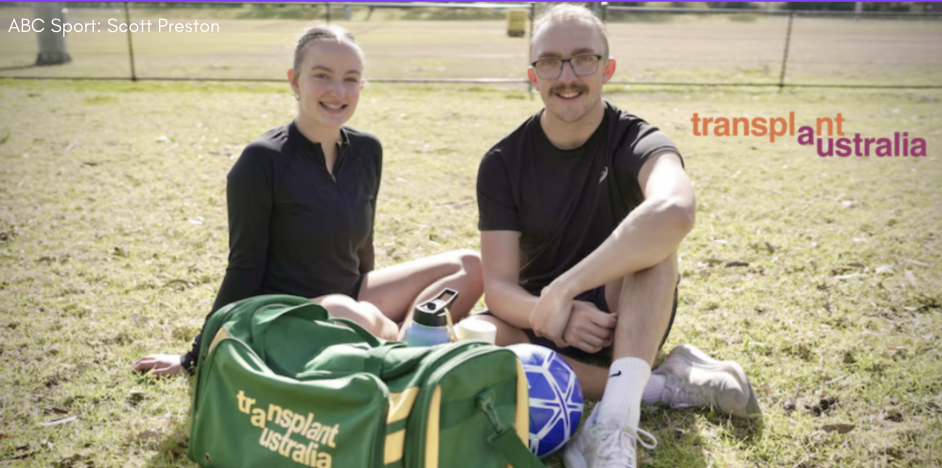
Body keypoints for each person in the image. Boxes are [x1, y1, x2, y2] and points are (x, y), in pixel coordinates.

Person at [470, 5, 760, 467]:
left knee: (656, 245)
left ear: (607, 69)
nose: (567, 76)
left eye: (583, 59)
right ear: (533, 74)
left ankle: (613, 423)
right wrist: (555, 312)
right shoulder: (503, 162)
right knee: (471, 341)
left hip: (623, 314)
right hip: (538, 319)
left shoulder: (636, 140)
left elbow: (676, 209)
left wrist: (565, 289)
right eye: (550, 62)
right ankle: (662, 386)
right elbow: (500, 286)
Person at [134, 25, 482, 377]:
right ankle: (415, 351)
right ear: (294, 81)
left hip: (351, 295)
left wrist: (376, 302)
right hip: (287, 311)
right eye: (322, 76)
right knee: (350, 313)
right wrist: (194, 357)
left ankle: (407, 347)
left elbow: (363, 247)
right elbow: (243, 267)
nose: (337, 91)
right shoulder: (261, 160)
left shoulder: (367, 150)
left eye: (350, 79)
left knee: (470, 265)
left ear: (361, 86)